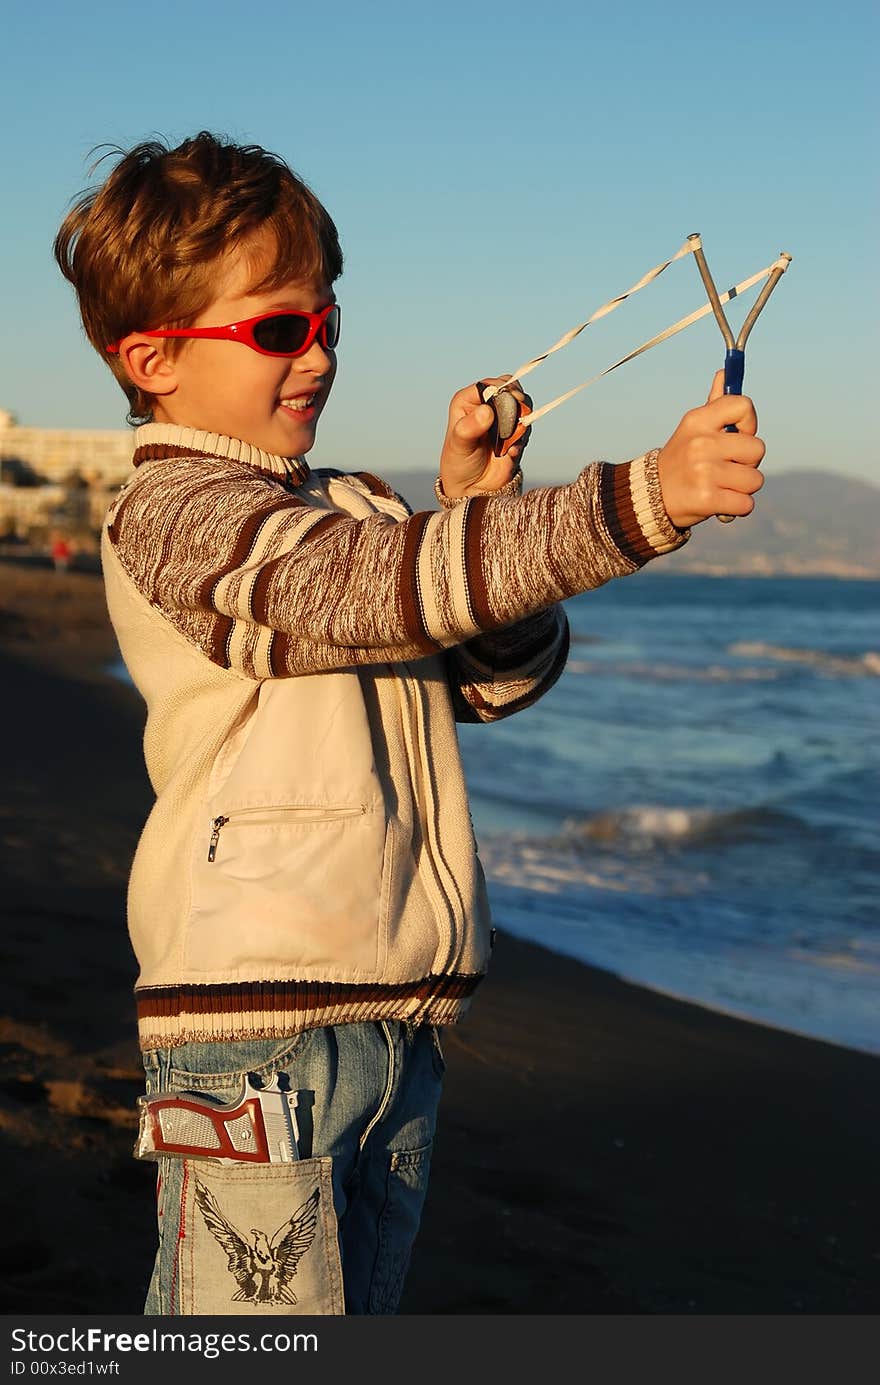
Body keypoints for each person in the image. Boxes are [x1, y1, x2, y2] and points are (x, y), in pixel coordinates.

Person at [53, 132, 765, 1317]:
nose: (319, 353)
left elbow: (487, 676)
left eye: (328, 320)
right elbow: (364, 588)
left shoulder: (350, 509)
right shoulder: (172, 510)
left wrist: (479, 512)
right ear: (154, 357)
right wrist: (642, 498)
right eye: (279, 330)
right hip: (252, 1035)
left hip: (392, 1021)